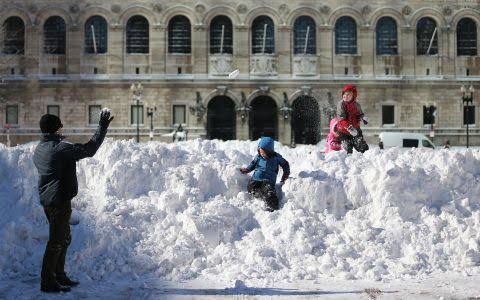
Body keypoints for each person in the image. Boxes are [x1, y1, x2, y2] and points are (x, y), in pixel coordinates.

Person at [33, 109, 113, 293]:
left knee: (64, 238)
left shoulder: (40, 148)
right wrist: (102, 127)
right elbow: (89, 149)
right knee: (56, 242)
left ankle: (58, 275)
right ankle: (48, 281)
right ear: (55, 129)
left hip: (48, 200)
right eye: (60, 127)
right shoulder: (60, 149)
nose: (63, 129)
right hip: (59, 202)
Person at [240, 137, 290, 211]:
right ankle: (259, 194)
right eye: (260, 152)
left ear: (269, 151)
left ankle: (272, 206)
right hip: (256, 179)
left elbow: (285, 164)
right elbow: (252, 165)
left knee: (269, 192)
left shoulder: (276, 157)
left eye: (264, 152)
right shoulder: (258, 157)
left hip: (268, 181)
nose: (262, 154)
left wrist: (285, 175)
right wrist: (247, 170)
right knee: (250, 187)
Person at [335, 85, 369, 154]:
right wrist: (349, 128)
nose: (345, 96)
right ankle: (345, 161)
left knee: (363, 148)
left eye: (348, 94)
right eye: (344, 94)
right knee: (347, 149)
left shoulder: (357, 105)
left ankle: (365, 162)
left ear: (353, 95)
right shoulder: (341, 104)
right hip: (344, 131)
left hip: (356, 130)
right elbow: (341, 119)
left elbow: (360, 115)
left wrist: (363, 119)